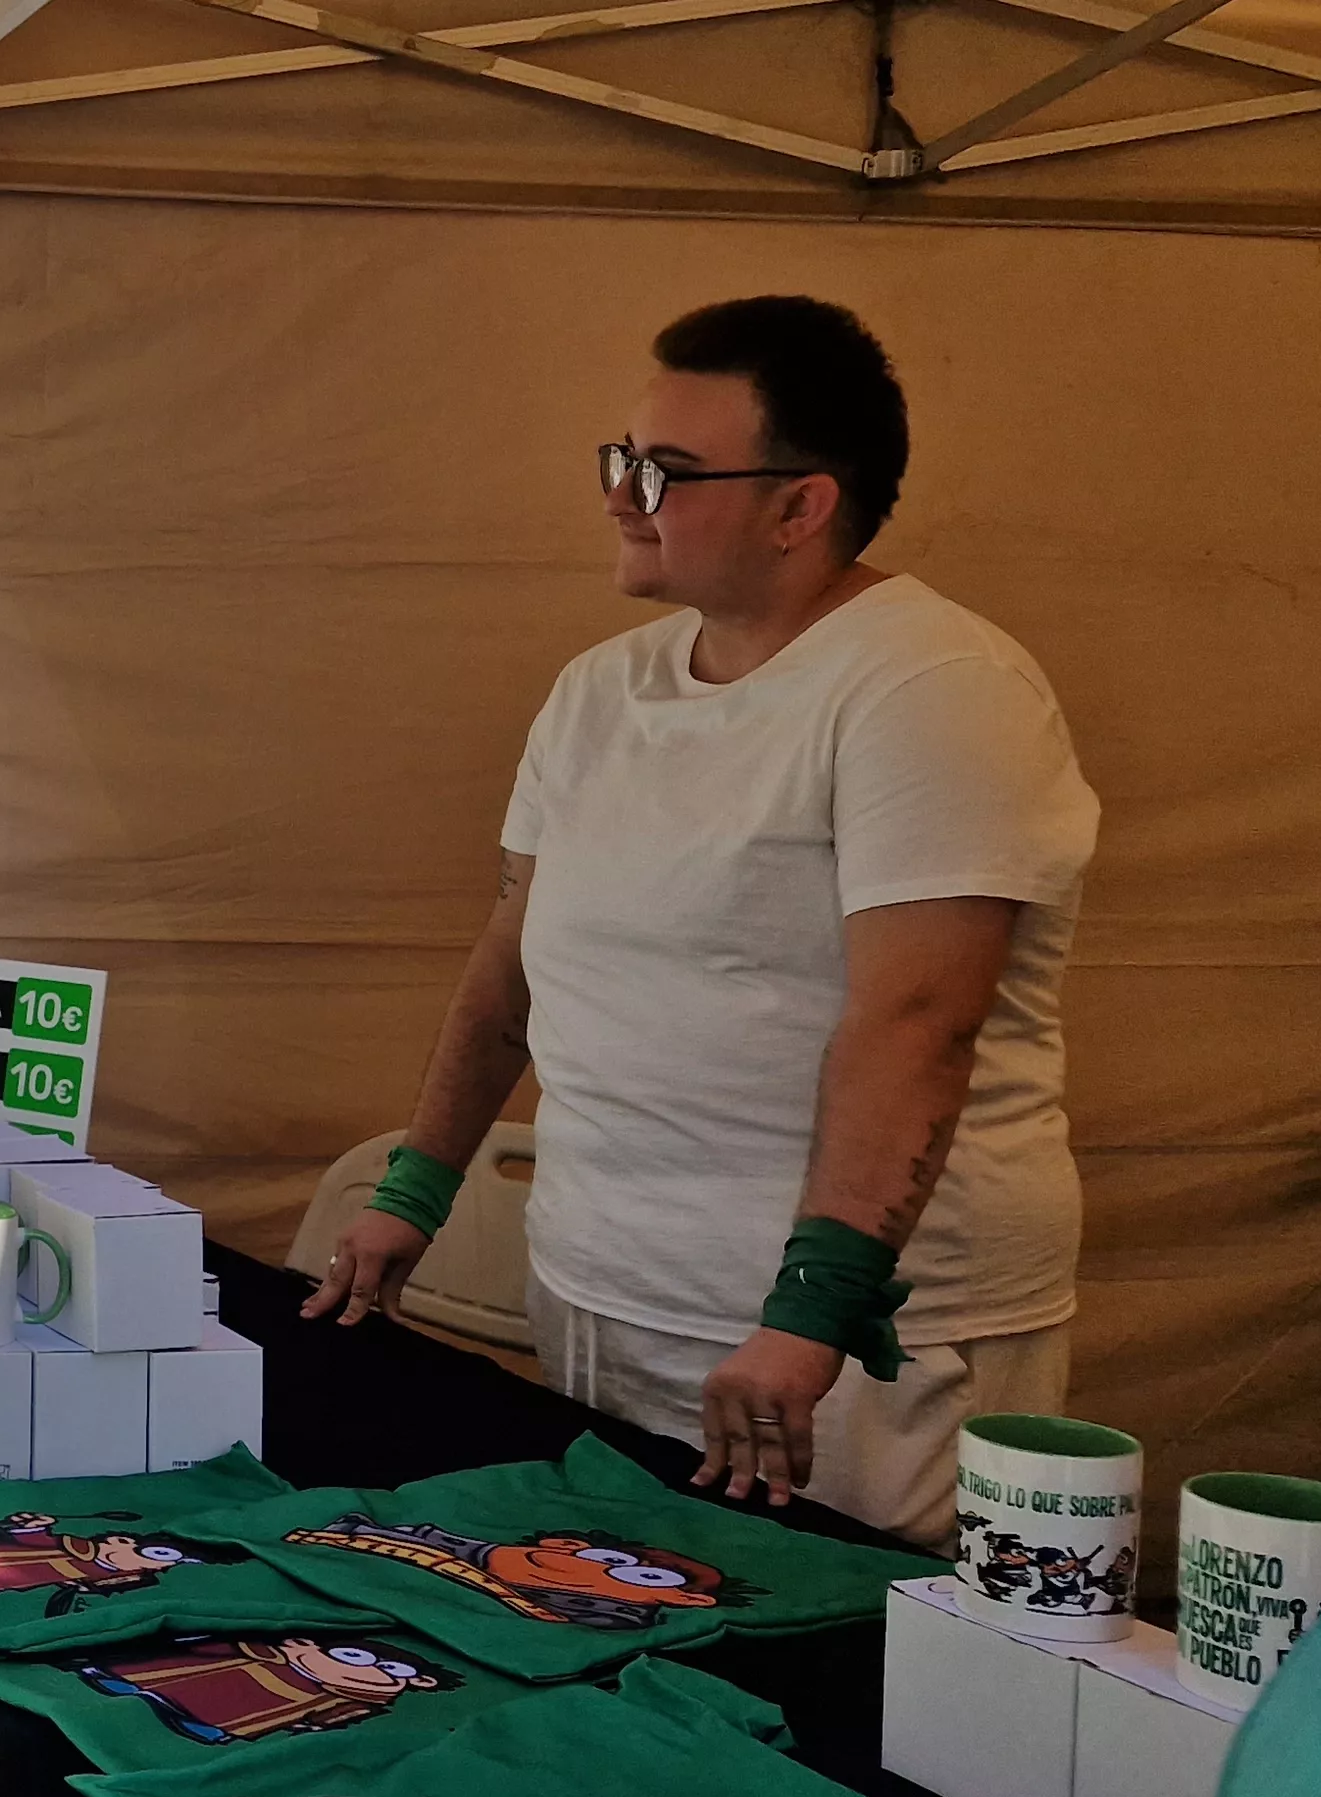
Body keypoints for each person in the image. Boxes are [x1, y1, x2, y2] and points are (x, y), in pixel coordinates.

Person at [304, 296, 1097, 1550]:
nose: (623, 496)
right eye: (620, 460)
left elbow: (916, 1025)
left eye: (666, 472)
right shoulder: (597, 693)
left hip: (836, 1352)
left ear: (801, 507)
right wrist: (417, 1185)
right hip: (602, 1298)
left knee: (830, 1692)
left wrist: (813, 1314)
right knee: (606, 1637)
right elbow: (511, 969)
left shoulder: (932, 689)